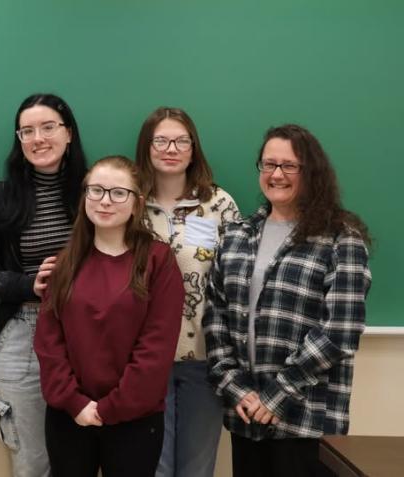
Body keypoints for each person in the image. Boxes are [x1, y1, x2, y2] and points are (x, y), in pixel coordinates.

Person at [204, 124, 372, 477]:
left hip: (307, 419)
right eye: (268, 165)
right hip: (247, 415)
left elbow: (340, 331)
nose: (276, 174)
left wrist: (278, 393)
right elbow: (216, 320)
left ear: (311, 172)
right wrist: (237, 388)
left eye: (288, 166)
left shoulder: (341, 239)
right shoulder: (236, 237)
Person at [34, 155, 184, 477]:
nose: (105, 201)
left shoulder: (159, 261)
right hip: (69, 416)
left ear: (137, 203)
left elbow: (156, 348)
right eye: (96, 190)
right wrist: (77, 404)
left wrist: (108, 408)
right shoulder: (63, 264)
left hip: (135, 418)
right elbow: (49, 345)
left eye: (118, 193)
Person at [0, 93, 87, 477]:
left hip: (86, 334)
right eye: (27, 131)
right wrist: (28, 284)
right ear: (19, 140)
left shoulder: (95, 192)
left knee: (77, 460)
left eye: (48, 127)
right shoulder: (0, 198)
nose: (38, 138)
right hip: (23, 333)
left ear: (68, 133)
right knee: (31, 463)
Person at [134, 107, 241, 477]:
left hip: (204, 359)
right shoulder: (128, 205)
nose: (171, 148)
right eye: (161, 140)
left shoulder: (219, 205)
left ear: (194, 148)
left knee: (197, 469)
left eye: (182, 140)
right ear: (146, 147)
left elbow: (236, 281)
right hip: (144, 358)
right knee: (154, 468)